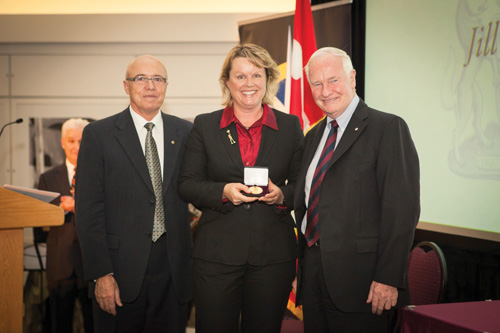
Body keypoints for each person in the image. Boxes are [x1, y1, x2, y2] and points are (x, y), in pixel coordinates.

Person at [178, 43, 304, 332]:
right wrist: (223, 191)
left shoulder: (290, 126)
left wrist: (281, 194)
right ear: (227, 82)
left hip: (273, 257)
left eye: (257, 75)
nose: (249, 84)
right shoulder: (205, 125)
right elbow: (187, 184)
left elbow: (304, 186)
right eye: (241, 76)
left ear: (268, 78)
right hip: (216, 258)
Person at [294, 47, 420, 332]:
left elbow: (402, 210)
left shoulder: (387, 128)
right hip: (314, 279)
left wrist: (389, 278)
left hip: (364, 286)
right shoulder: (313, 136)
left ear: (352, 78)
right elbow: (309, 202)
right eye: (317, 83)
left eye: (333, 80)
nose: (326, 91)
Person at [75, 55, 192, 332]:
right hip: (119, 271)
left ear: (166, 85)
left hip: (173, 271)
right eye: (141, 78)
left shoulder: (187, 132)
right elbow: (88, 211)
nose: (150, 85)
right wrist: (101, 274)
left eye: (157, 79)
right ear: (126, 86)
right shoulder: (98, 135)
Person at [38, 117, 93, 333]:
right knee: (59, 323)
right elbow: (38, 224)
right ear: (62, 142)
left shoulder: (101, 175)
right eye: (71, 141)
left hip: (91, 262)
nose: (76, 147)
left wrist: (79, 206)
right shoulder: (48, 178)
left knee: (95, 323)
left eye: (81, 141)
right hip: (60, 263)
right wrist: (59, 208)